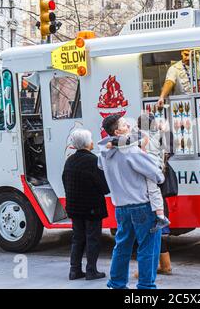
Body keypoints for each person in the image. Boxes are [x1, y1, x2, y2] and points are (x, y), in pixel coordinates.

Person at [98, 114, 165, 289]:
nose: (128, 124)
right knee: (148, 248)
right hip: (142, 206)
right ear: (118, 131)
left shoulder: (104, 153)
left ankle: (117, 283)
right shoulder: (131, 151)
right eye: (123, 123)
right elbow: (158, 176)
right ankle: (145, 286)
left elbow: (100, 163)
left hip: (121, 207)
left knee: (122, 247)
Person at [106, 113, 170, 232]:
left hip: (123, 204)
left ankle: (161, 216)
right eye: (125, 125)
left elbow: (127, 141)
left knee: (124, 241)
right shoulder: (155, 135)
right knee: (154, 191)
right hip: (155, 167)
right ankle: (161, 216)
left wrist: (112, 143)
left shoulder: (137, 138)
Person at [62, 128, 109, 280]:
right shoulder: (93, 161)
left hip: (74, 208)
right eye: (91, 140)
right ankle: (91, 270)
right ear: (88, 143)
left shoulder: (70, 161)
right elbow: (104, 186)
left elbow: (65, 181)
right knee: (92, 238)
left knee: (78, 238)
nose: (93, 142)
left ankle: (74, 270)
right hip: (92, 208)